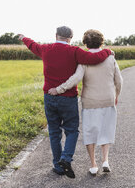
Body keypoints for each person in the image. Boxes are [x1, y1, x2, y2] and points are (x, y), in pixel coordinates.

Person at [18, 26, 112, 179]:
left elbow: (32, 45)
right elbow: (95, 58)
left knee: (54, 132)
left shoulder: (45, 49)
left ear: (56, 35)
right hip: (68, 98)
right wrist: (108, 51)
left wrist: (23, 38)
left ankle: (58, 166)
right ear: (70, 38)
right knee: (72, 131)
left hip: (49, 97)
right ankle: (66, 158)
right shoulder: (74, 51)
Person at [48, 29, 123, 175]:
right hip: (108, 99)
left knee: (90, 132)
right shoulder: (110, 57)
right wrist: (116, 95)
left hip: (90, 102)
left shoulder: (84, 59)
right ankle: (105, 160)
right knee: (105, 130)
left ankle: (94, 165)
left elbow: (76, 78)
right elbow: (119, 80)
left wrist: (59, 89)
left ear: (85, 43)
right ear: (101, 41)